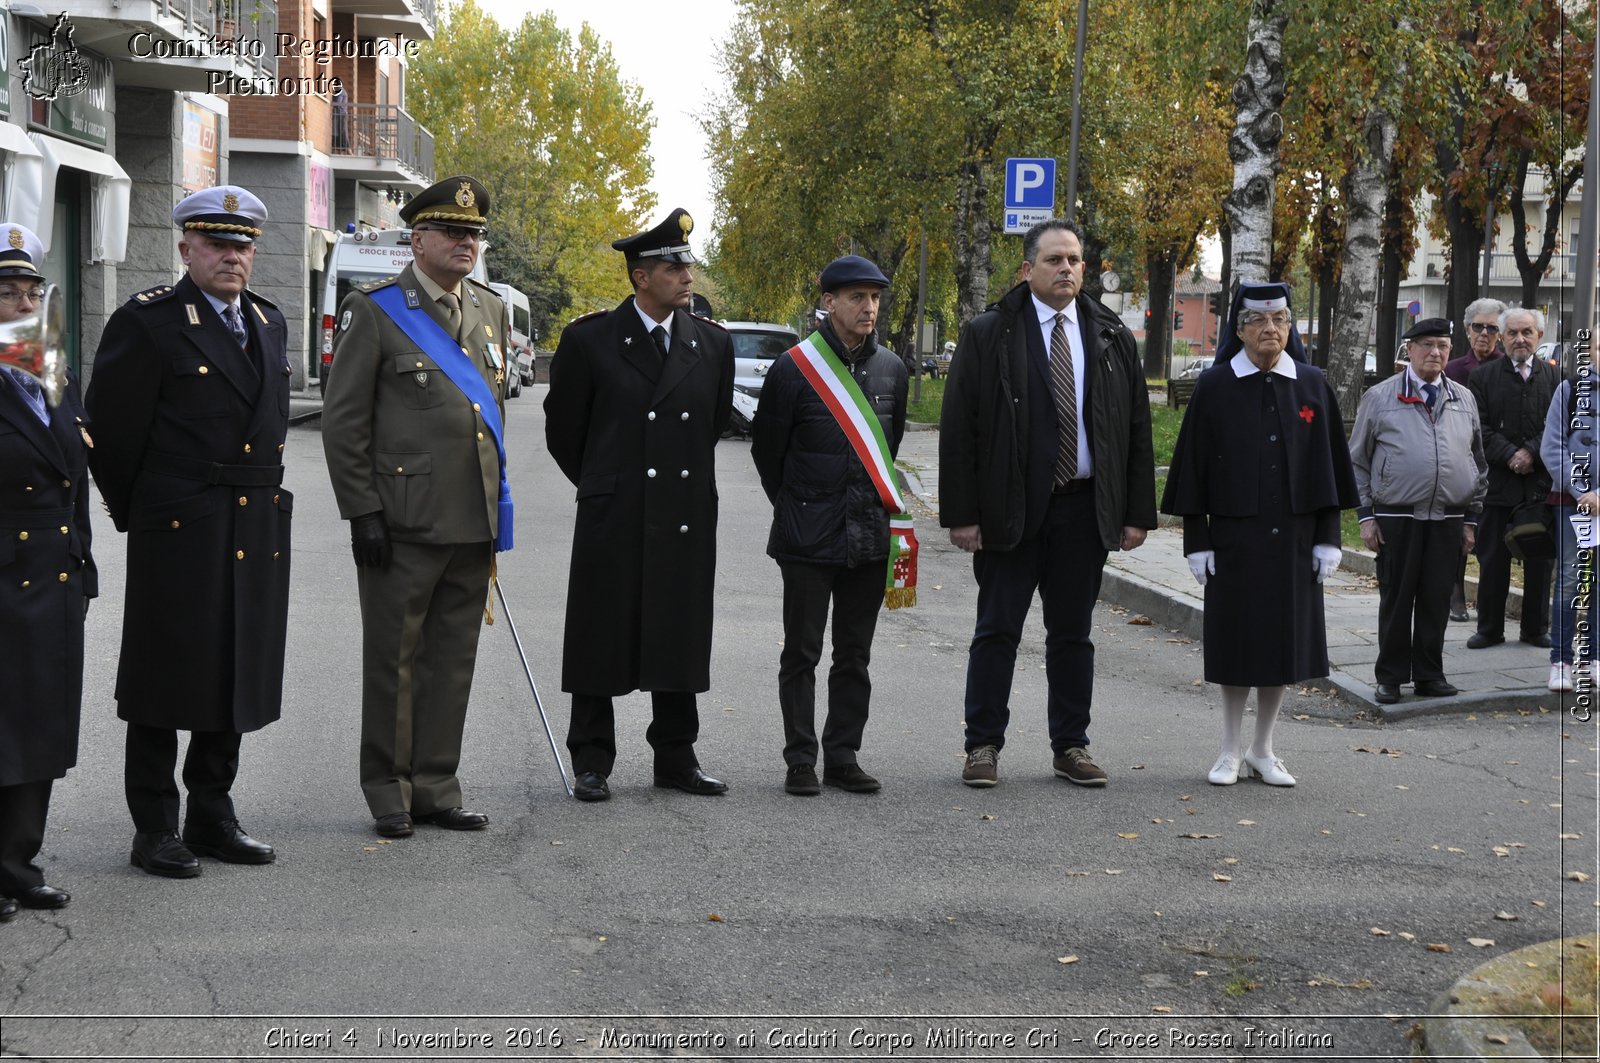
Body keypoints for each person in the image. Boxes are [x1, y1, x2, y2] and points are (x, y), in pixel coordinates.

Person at [86, 186, 291, 878]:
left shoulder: (268, 323)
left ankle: (212, 811)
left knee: (232, 670)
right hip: (178, 526)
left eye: (242, 245)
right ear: (186, 249)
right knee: (161, 678)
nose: (232, 256)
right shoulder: (149, 323)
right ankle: (154, 826)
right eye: (216, 243)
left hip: (252, 524)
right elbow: (111, 437)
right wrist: (142, 514)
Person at [322, 175, 511, 839]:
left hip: (470, 519)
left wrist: (498, 506)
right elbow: (344, 423)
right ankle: (389, 792)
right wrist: (362, 511)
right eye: (454, 233)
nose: (467, 243)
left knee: (452, 659)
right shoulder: (374, 311)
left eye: (475, 234)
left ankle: (436, 785)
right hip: (400, 522)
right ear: (417, 238)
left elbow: (491, 418)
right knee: (392, 660)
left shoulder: (489, 310)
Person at [939, 217, 1156, 789]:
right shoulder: (991, 333)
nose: (1066, 269)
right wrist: (962, 514)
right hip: (1011, 510)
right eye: (1054, 260)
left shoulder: (1110, 335)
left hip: (1082, 511)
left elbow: (1133, 429)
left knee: (1072, 634)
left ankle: (1072, 745)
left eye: (1074, 260)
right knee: (997, 631)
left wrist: (1136, 512)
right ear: (1027, 269)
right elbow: (960, 428)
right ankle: (982, 745)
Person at [545, 208, 735, 802]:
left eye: (688, 264)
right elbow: (564, 433)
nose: (686, 275)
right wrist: (607, 481)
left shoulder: (711, 343)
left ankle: (677, 756)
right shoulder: (589, 339)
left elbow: (707, 425)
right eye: (672, 266)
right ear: (639, 277)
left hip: (682, 512)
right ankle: (592, 758)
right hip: (616, 510)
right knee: (602, 632)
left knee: (678, 632)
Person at [1160, 283, 1357, 786]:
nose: (1270, 330)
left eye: (1280, 321)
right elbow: (1194, 468)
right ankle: (1228, 750)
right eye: (1258, 322)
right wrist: (1196, 540)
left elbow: (1328, 467)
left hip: (1294, 541)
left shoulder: (1312, 385)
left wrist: (1328, 537)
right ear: (1240, 329)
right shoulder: (1216, 386)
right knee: (1236, 646)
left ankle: (1264, 749)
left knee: (1281, 647)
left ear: (1290, 328)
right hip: (1234, 543)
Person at [750, 255, 909, 796]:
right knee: (802, 651)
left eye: (874, 298)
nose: (868, 308)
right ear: (828, 302)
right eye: (857, 297)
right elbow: (768, 454)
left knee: (855, 654)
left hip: (868, 535)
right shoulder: (794, 368)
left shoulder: (893, 369)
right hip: (807, 537)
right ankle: (800, 759)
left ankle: (844, 755)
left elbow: (890, 449)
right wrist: (799, 507)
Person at [0, 224, 95, 917]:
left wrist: (82, 558)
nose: (22, 302)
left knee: (40, 721)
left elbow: (76, 477)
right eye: (7, 293)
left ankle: (17, 861)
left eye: (31, 291)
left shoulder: (51, 372)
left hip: (53, 573)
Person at [1349, 318, 1488, 705]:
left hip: (1448, 518)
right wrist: (1366, 515)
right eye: (1426, 345)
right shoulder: (1380, 396)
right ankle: (1390, 677)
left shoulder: (1463, 398)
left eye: (1443, 345)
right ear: (1408, 350)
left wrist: (1471, 518)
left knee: (1436, 598)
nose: (1436, 353)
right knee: (1397, 598)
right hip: (1396, 516)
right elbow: (1356, 461)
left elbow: (1477, 461)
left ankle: (1429, 674)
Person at [1466, 307, 1556, 650]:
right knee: (1493, 559)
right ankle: (1489, 629)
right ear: (1502, 338)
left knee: (1539, 561)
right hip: (1498, 486)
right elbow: (1478, 429)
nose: (1520, 339)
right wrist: (1509, 454)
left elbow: (1557, 427)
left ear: (1539, 337)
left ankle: (1535, 629)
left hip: (1538, 486)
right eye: (1513, 333)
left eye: (1527, 332)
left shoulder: (1556, 378)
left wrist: (1531, 452)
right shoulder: (1483, 378)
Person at [1444, 297, 1506, 621]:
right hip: (1458, 462)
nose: (1484, 333)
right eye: (1478, 327)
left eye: (1492, 328)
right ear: (1467, 330)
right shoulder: (1452, 370)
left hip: (1496, 464)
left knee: (1489, 538)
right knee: (1457, 528)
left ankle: (1488, 601)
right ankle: (1455, 594)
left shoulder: (1507, 370)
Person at [1541, 362, 1597, 692]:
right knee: (1569, 579)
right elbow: (1552, 446)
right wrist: (1581, 491)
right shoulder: (1570, 390)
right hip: (1570, 504)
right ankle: (1560, 661)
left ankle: (1594, 659)